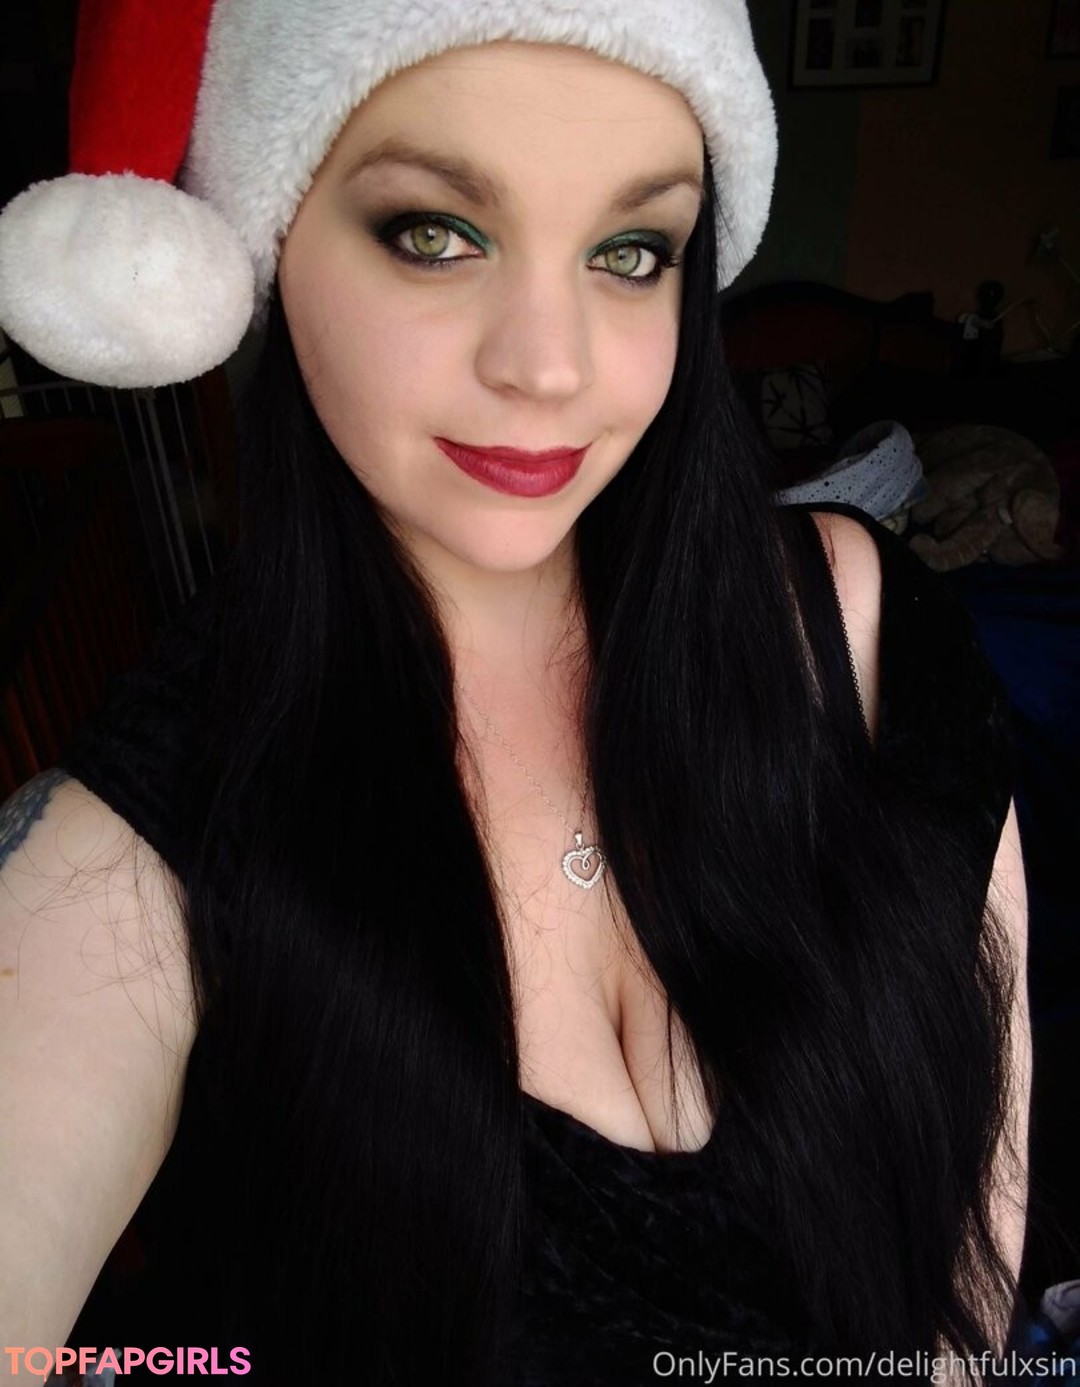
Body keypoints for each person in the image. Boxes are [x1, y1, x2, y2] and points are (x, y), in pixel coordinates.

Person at [0, 1, 1035, 1383]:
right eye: (435, 233)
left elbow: (972, 1260)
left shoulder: (876, 643)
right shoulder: (140, 845)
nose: (549, 367)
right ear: (272, 238)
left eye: (630, 251)